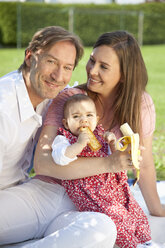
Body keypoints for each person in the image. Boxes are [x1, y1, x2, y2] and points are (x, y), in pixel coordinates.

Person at [33, 30, 165, 245]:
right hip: (56, 194)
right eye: (92, 61)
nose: (92, 71)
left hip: (105, 198)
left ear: (124, 75)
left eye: (103, 66)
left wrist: (156, 208)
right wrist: (110, 163)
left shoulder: (141, 104)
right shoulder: (71, 101)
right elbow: (42, 165)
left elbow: (146, 161)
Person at [0, 26, 118, 248]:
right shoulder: (3, 106)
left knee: (101, 228)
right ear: (29, 57)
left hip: (34, 198)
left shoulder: (50, 96)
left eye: (67, 67)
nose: (58, 76)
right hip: (6, 204)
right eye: (51, 62)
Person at [50, 93, 153, 248]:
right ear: (66, 123)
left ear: (97, 119)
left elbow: (112, 159)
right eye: (76, 116)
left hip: (113, 189)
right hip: (91, 194)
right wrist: (78, 145)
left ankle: (145, 240)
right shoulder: (64, 139)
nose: (83, 120)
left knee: (134, 211)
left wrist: (112, 144)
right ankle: (132, 245)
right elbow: (60, 158)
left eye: (89, 115)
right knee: (116, 217)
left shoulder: (100, 135)